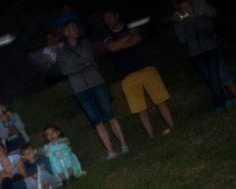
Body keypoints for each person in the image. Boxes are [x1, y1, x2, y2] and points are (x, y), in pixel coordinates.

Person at [56, 21, 129, 160]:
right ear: (65, 33)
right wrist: (83, 64)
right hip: (79, 89)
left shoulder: (85, 43)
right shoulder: (62, 53)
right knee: (96, 120)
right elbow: (65, 70)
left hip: (96, 82)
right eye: (72, 28)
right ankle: (110, 151)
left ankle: (124, 145)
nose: (76, 30)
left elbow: (88, 57)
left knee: (109, 114)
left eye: (76, 27)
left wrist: (76, 65)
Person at [101, 10, 176, 139]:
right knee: (140, 108)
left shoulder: (130, 26)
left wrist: (121, 44)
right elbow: (112, 48)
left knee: (160, 100)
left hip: (145, 68)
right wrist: (126, 39)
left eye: (109, 17)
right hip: (127, 75)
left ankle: (173, 126)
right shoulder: (106, 35)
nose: (108, 20)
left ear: (117, 15)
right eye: (105, 19)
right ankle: (151, 136)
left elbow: (136, 39)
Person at [173, 0, 236, 111]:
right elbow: (182, 40)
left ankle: (231, 99)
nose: (187, 10)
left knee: (219, 73)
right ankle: (224, 100)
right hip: (196, 54)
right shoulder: (181, 23)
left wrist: (196, 20)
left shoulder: (201, 15)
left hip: (210, 49)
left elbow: (210, 29)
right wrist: (179, 24)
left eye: (188, 7)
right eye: (184, 9)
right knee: (210, 78)